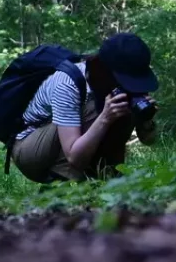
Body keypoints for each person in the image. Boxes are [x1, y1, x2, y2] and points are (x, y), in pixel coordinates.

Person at [11, 32, 159, 183]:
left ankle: (110, 179)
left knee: (120, 109)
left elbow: (149, 141)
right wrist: (105, 118)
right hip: (30, 151)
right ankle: (61, 185)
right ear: (105, 70)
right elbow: (74, 157)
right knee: (95, 109)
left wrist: (145, 119)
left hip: (65, 145)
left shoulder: (122, 90)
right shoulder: (67, 83)